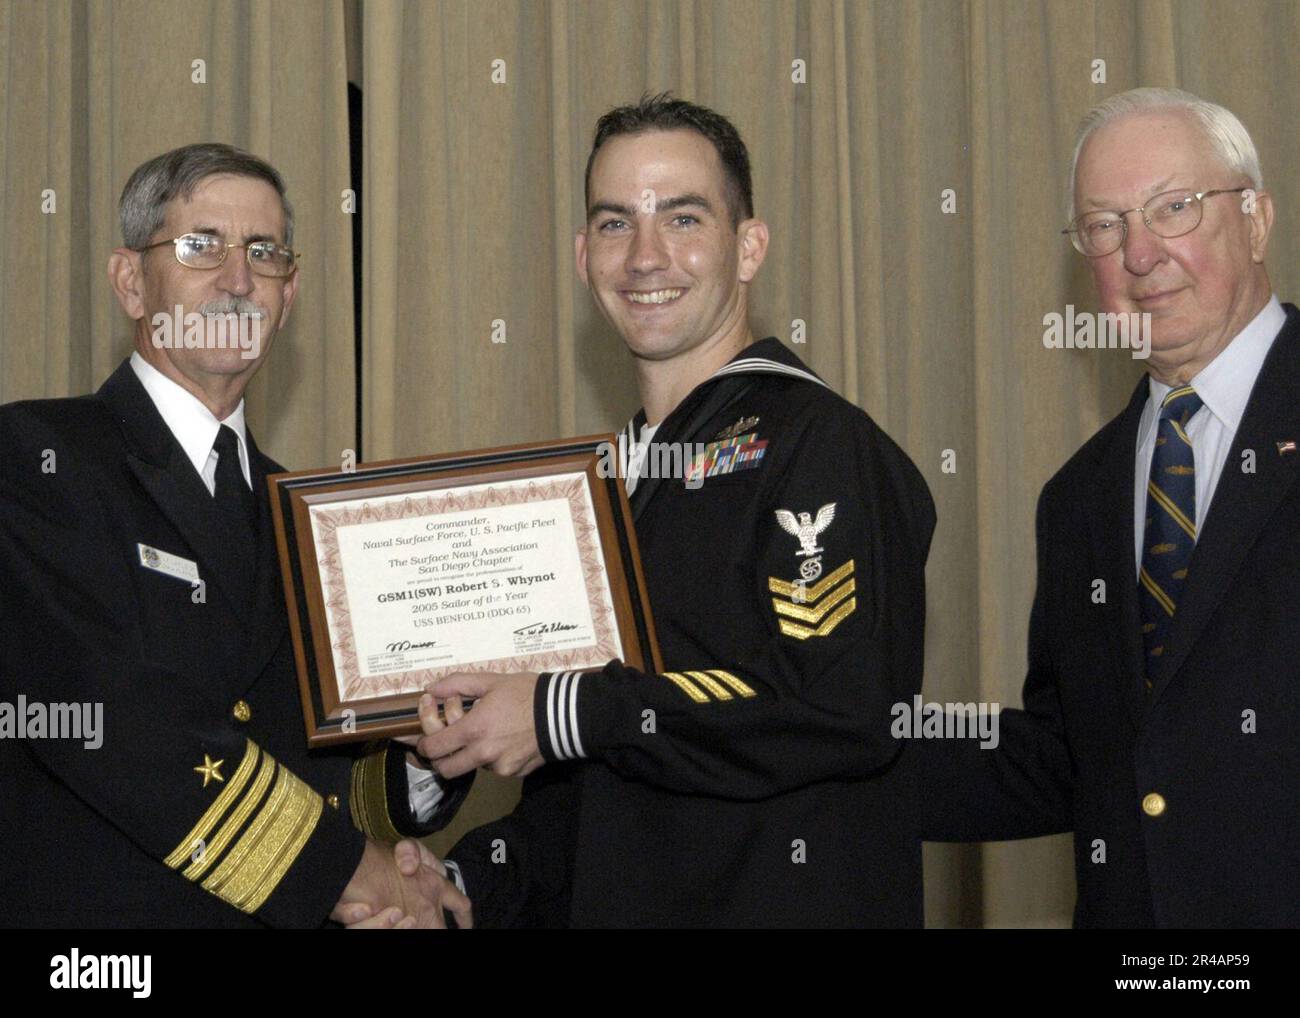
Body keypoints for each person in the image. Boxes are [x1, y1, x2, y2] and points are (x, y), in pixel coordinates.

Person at [360, 94, 936, 928]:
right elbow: (600, 797)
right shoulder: (601, 489)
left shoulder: (818, 443)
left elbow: (837, 708)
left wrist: (566, 709)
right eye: (614, 222)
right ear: (581, 255)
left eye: (684, 218)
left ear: (749, 248)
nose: (646, 255)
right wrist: (466, 882)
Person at [0, 143, 468, 928]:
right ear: (129, 281)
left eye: (264, 253)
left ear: (288, 296)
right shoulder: (39, 458)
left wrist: (424, 751)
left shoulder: (312, 516)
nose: (238, 279)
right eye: (200, 246)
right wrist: (349, 870)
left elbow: (327, 762)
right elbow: (106, 714)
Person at [919, 88, 1300, 927]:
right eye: (1104, 226)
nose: (1139, 254)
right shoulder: (1079, 496)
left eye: (1174, 209)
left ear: (1258, 220)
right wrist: (819, 749)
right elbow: (1073, 754)